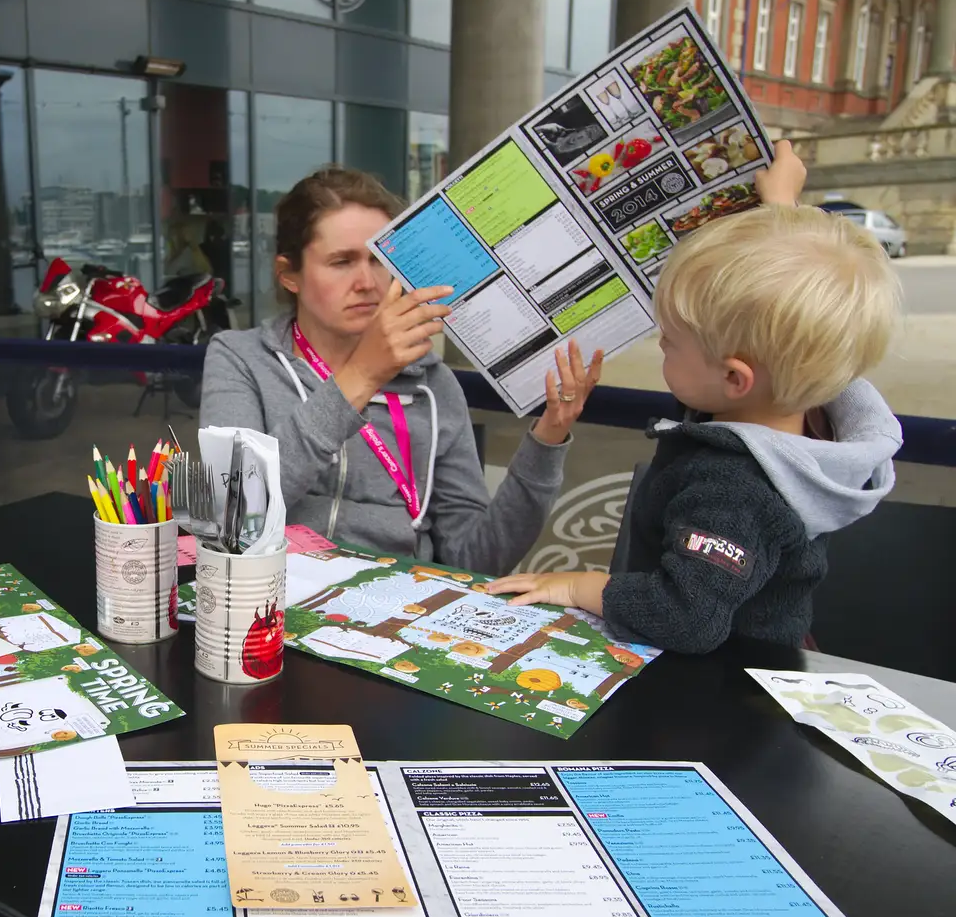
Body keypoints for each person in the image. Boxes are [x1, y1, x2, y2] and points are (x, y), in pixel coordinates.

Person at [488, 144, 902, 653]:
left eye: (669, 342)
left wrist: (578, 586)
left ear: (734, 378)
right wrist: (780, 209)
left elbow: (684, 616)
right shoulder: (805, 409)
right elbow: (785, 321)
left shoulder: (731, 490)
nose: (660, 347)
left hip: (721, 697)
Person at [201, 165, 603, 574]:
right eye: (341, 261)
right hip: (271, 602)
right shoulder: (240, 358)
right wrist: (361, 376)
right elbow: (233, 517)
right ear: (290, 275)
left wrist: (548, 436)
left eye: (379, 260)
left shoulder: (433, 384)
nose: (367, 282)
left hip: (395, 611)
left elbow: (478, 559)